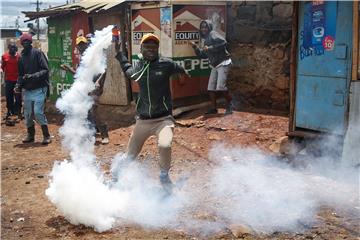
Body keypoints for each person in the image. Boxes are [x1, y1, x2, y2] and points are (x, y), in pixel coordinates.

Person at [115, 33, 188, 193]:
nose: (151, 49)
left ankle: (164, 175)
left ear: (157, 48)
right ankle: (115, 177)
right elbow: (128, 70)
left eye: (154, 46)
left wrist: (182, 77)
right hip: (143, 121)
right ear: (141, 49)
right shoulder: (139, 67)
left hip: (164, 119)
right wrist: (119, 54)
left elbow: (181, 69)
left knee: (165, 144)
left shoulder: (166, 64)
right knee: (130, 155)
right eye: (147, 46)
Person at [60, 35, 109, 144]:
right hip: (85, 88)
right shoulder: (82, 59)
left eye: (83, 44)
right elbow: (80, 75)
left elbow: (104, 71)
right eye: (80, 45)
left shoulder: (94, 55)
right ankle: (88, 134)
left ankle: (105, 135)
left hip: (95, 87)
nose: (82, 47)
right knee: (85, 111)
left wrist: (98, 83)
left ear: (87, 44)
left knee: (94, 111)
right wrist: (69, 70)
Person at [14, 33, 51, 144]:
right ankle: (31, 135)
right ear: (21, 43)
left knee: (38, 112)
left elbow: (45, 70)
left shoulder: (38, 53)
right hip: (27, 89)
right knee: (28, 114)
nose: (25, 44)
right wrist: (18, 85)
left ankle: (46, 136)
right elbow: (20, 75)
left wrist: (32, 76)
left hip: (40, 88)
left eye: (27, 42)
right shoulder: (21, 57)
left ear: (31, 42)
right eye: (23, 42)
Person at [191, 20, 233, 115]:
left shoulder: (213, 34)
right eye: (202, 27)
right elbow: (203, 55)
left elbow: (224, 43)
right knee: (210, 88)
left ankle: (230, 105)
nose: (204, 29)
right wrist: (195, 48)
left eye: (205, 27)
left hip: (223, 62)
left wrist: (210, 48)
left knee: (221, 87)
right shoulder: (204, 39)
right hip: (215, 64)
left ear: (209, 27)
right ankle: (214, 108)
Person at [1, 41, 22, 120]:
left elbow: (22, 68)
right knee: (9, 96)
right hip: (8, 80)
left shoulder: (19, 57)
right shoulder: (4, 56)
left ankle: (18, 111)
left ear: (16, 48)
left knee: (18, 97)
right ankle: (9, 111)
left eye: (14, 47)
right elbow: (2, 67)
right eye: (11, 48)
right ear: (8, 48)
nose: (12, 49)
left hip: (17, 80)